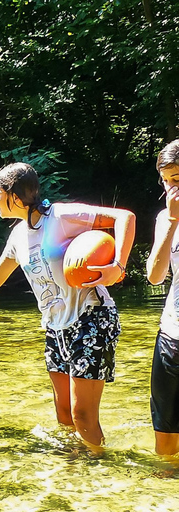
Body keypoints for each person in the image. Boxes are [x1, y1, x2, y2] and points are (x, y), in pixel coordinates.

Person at [0, 162, 134, 450]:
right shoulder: (18, 235)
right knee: (64, 414)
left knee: (82, 414)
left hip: (92, 316)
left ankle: (99, 470)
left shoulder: (62, 216)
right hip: (55, 328)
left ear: (14, 196)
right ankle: (74, 465)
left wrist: (118, 266)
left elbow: (124, 217)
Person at [146, 139, 179, 457]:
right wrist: (172, 221)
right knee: (165, 444)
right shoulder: (165, 220)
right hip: (172, 335)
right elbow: (155, 277)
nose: (171, 190)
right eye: (166, 181)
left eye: (178, 180)